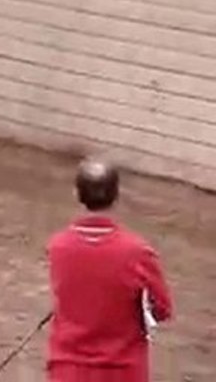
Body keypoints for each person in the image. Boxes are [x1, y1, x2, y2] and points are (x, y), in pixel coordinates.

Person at [45, 158, 174, 382]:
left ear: (77, 194)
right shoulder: (138, 252)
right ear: (116, 195)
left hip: (67, 370)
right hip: (122, 372)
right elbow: (161, 310)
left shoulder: (57, 247)